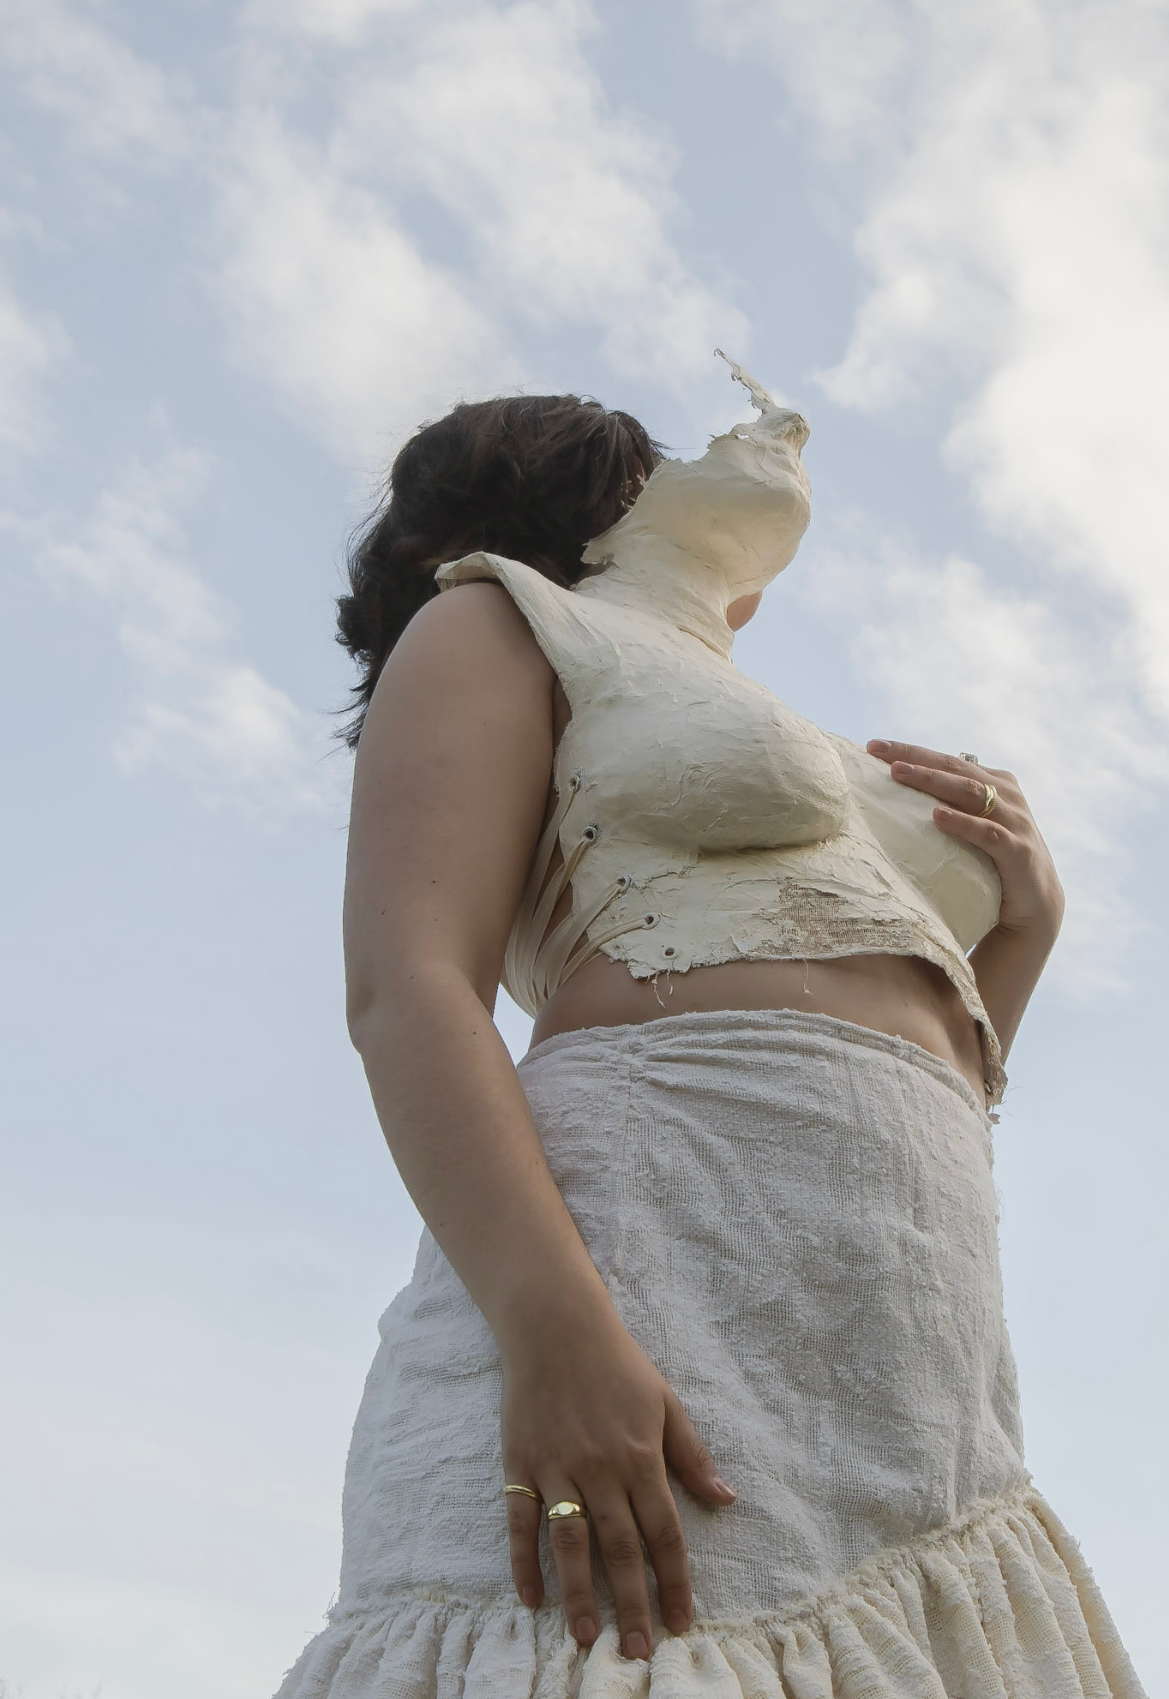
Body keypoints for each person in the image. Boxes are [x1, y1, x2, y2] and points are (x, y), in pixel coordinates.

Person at [273, 360, 1145, 1697]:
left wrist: (1024, 925)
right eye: (645, 466)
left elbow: (931, 1082)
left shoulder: (734, 698)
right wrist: (555, 1335)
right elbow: (410, 983)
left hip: (913, 1381)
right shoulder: (495, 617)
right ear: (587, 486)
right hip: (647, 1276)